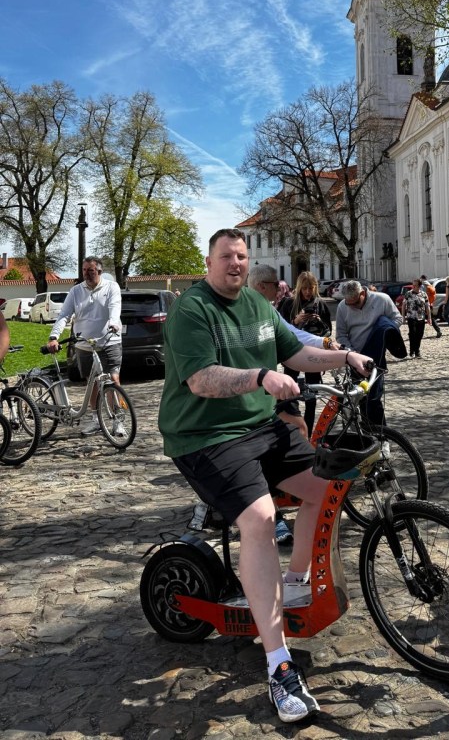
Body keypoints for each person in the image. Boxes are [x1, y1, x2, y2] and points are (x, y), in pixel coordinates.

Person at [158, 229, 372, 723]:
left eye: (241, 256)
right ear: (209, 261)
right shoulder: (193, 310)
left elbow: (295, 354)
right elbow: (201, 380)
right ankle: (278, 665)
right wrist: (259, 377)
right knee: (258, 518)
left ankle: (294, 582)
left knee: (328, 488)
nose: (235, 263)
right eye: (226, 256)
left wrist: (342, 357)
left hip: (259, 426)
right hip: (204, 436)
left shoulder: (257, 307)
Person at [249, 264, 341, 548]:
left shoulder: (268, 310)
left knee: (299, 427)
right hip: (252, 393)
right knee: (264, 452)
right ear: (262, 286)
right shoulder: (251, 310)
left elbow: (293, 338)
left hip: (271, 388)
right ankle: (273, 514)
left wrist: (329, 345)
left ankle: (290, 490)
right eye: (276, 284)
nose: (281, 289)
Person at [47, 256, 123, 436]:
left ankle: (118, 419)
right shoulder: (76, 291)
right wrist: (54, 336)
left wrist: (113, 323)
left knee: (113, 378)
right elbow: (64, 315)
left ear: (99, 271)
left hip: (109, 340)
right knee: (92, 382)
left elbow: (114, 306)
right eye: (84, 270)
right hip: (84, 344)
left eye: (90, 270)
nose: (87, 274)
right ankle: (96, 418)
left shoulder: (111, 287)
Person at [335, 279, 405, 426]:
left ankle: (381, 435)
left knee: (374, 398)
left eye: (355, 302)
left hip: (376, 357)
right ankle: (367, 436)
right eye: (349, 303)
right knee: (361, 398)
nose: (352, 306)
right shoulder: (343, 307)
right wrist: (351, 353)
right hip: (355, 358)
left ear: (363, 293)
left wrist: (383, 330)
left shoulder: (382, 300)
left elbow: (397, 318)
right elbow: (341, 335)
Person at [277, 271, 332, 436]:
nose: (308, 291)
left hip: (313, 353)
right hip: (293, 352)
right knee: (289, 392)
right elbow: (280, 328)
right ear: (299, 288)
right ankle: (292, 427)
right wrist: (296, 321)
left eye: (311, 288)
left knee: (312, 394)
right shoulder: (288, 304)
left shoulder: (320, 305)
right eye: (305, 288)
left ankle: (307, 431)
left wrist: (320, 323)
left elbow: (327, 331)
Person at [403, 280, 429, 359]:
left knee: (420, 334)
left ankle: (417, 350)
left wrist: (429, 317)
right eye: (412, 285)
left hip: (421, 317)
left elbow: (427, 306)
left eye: (415, 285)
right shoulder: (408, 294)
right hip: (411, 317)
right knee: (412, 333)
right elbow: (404, 305)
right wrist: (403, 316)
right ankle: (412, 351)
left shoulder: (424, 294)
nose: (413, 287)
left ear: (419, 286)